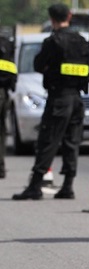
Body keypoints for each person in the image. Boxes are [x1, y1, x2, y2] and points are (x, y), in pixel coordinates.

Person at [12, 3, 89, 200]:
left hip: (59, 98)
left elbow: (38, 64)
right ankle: (67, 186)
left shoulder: (53, 41)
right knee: (72, 142)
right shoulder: (81, 40)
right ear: (69, 16)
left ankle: (35, 186)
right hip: (77, 98)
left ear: (51, 19)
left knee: (48, 141)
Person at [0, 33, 17, 179]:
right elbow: (12, 68)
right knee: (1, 131)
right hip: (3, 92)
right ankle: (0, 167)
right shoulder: (6, 43)